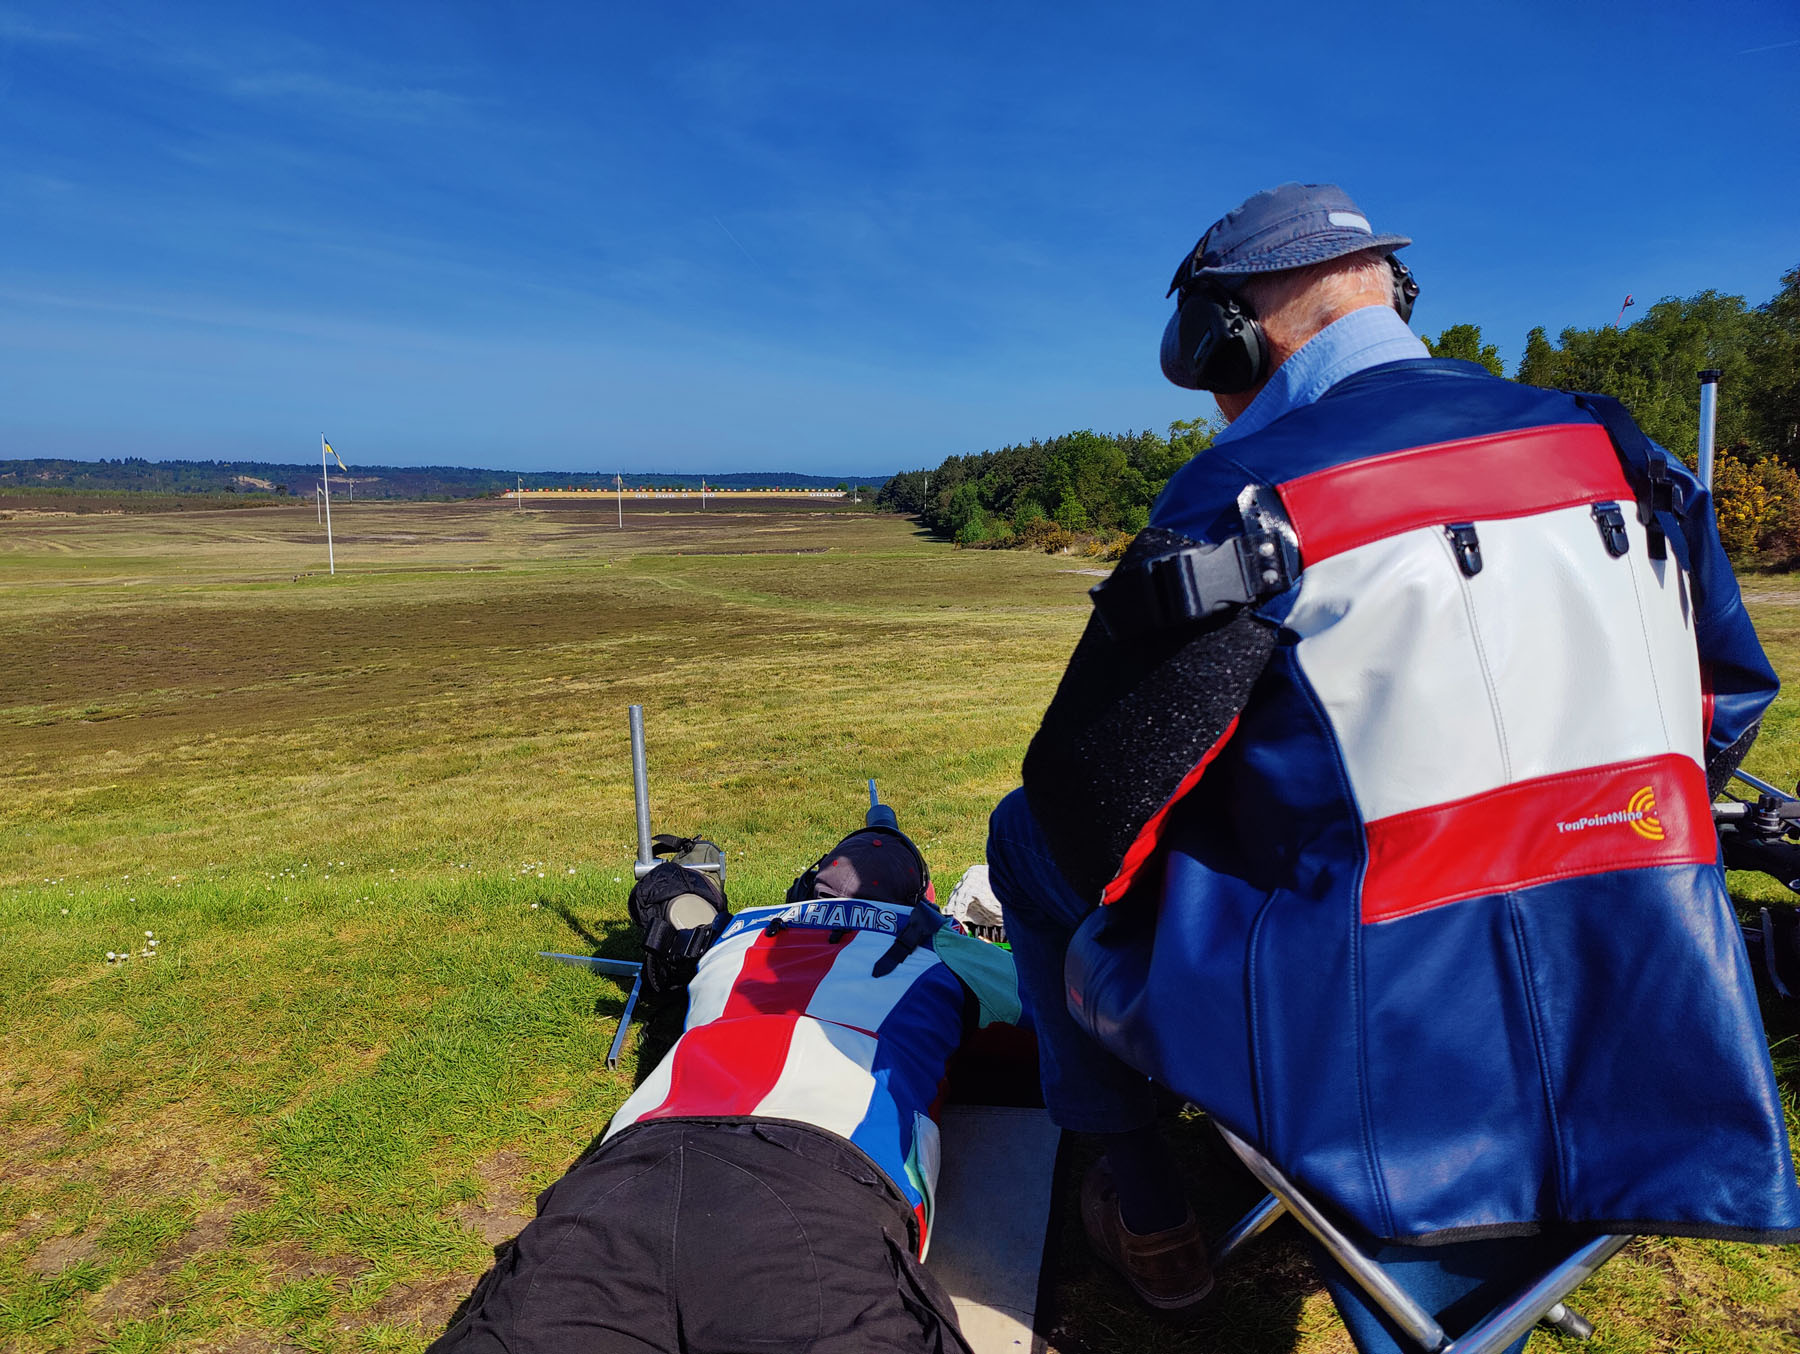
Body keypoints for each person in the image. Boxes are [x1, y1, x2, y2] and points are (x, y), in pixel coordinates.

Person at [987, 182, 1800, 1344]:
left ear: (1229, 332)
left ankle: (1147, 1195)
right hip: (1649, 972)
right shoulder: (1621, 445)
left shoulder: (1246, 497)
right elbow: (1727, 706)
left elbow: (1089, 813)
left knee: (1023, 842)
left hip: (1374, 1034)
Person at [431, 822, 1022, 1354]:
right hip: (824, 1175)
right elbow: (1065, 1010)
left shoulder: (736, 931)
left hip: (631, 1166)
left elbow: (667, 904)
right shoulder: (945, 946)